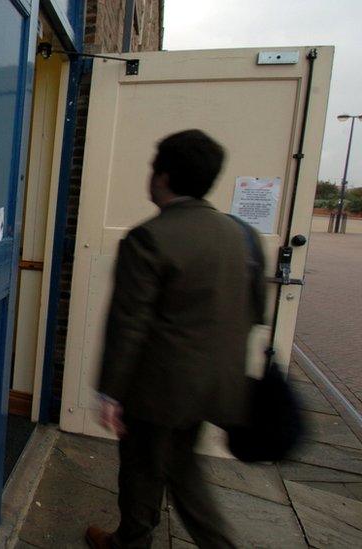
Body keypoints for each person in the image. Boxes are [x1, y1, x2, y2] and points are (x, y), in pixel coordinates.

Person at [85, 129, 266, 549]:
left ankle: (131, 542)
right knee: (180, 466)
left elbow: (129, 324)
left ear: (163, 176)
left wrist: (110, 393)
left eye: (153, 167)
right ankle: (130, 537)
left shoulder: (149, 238)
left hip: (159, 391)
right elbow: (257, 312)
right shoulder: (242, 235)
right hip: (216, 386)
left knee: (144, 470)